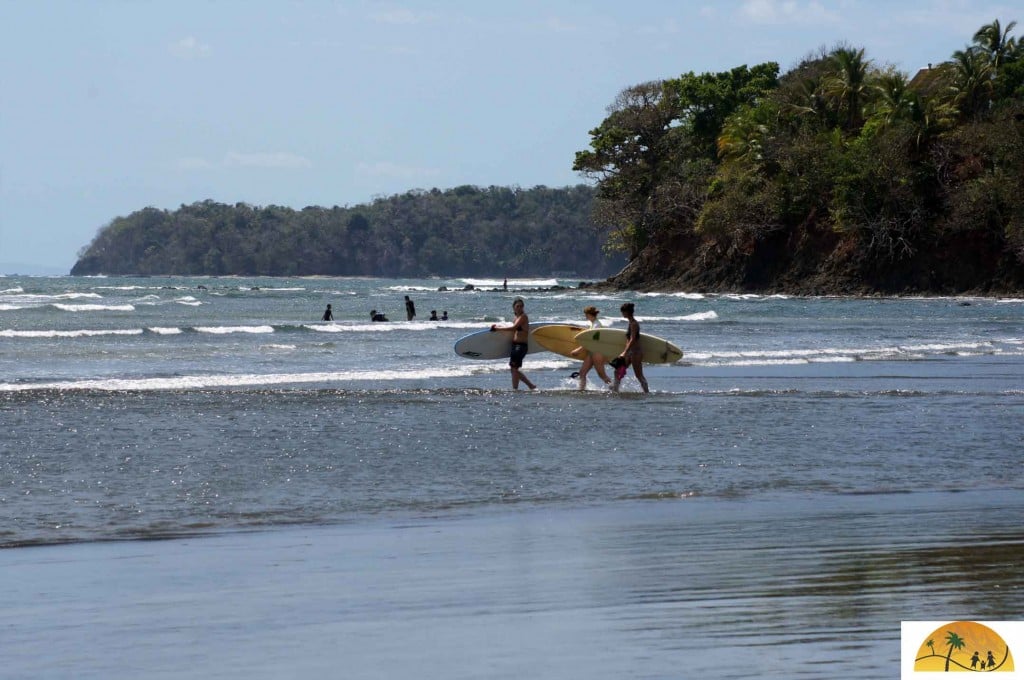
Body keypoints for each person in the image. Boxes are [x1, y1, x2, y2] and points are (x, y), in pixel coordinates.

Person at [490, 297, 536, 390]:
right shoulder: (516, 318)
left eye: (521, 306)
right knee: (513, 369)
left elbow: (513, 328)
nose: (519, 308)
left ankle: (530, 385)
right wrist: (498, 326)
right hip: (515, 346)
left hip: (520, 346)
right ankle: (515, 389)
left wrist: (497, 329)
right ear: (514, 307)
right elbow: (510, 328)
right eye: (517, 306)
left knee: (514, 369)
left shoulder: (523, 317)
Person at [570, 305, 611, 390]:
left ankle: (615, 388)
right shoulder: (593, 324)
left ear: (589, 314)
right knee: (582, 373)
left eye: (585, 314)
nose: (585, 316)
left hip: (597, 353)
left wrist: (579, 350)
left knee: (602, 376)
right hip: (591, 352)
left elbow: (593, 342)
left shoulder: (597, 325)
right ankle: (581, 390)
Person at [612, 302, 648, 393]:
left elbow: (632, 339)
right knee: (617, 371)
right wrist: (626, 352)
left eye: (623, 312)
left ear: (627, 312)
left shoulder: (634, 324)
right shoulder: (631, 323)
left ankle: (647, 393)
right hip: (630, 353)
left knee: (639, 375)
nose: (622, 314)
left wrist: (624, 352)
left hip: (635, 353)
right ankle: (615, 390)